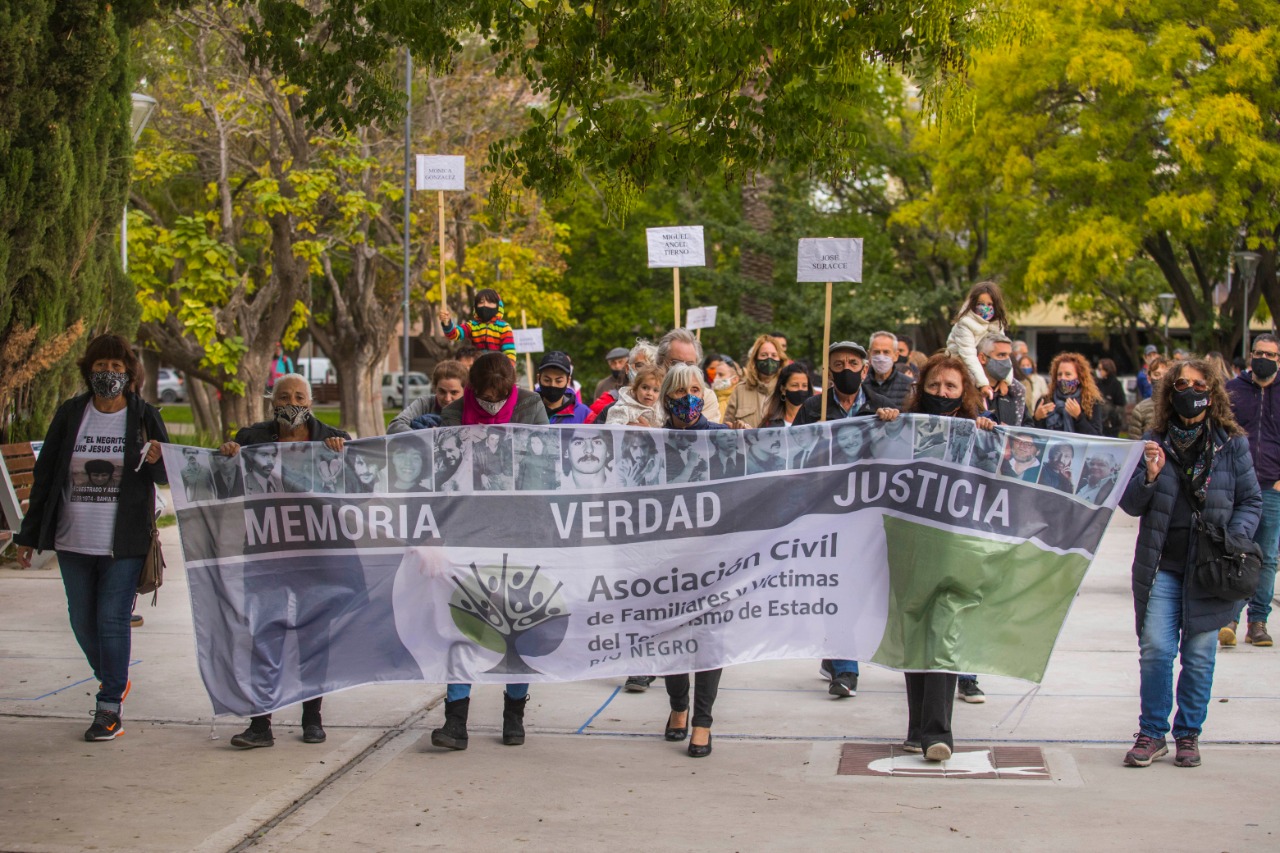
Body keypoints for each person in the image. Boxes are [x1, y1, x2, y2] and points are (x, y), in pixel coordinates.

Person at [15, 335, 168, 742]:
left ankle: (109, 706)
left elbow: (167, 475)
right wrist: (29, 534)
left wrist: (158, 458)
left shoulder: (144, 416)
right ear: (89, 370)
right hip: (74, 540)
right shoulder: (71, 414)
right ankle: (113, 677)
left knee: (111, 619)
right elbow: (46, 475)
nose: (108, 373)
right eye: (101, 365)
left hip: (124, 543)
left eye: (117, 367)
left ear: (129, 373)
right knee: (82, 620)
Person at [1119, 359, 1261, 768]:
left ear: (1212, 394)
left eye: (1199, 385)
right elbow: (1130, 503)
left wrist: (1233, 538)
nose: (1190, 391)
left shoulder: (1231, 444)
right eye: (1181, 384)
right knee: (1156, 649)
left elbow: (1251, 500)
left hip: (1211, 568)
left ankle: (1188, 734)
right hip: (1162, 564)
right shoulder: (1153, 441)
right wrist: (1149, 475)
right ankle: (1152, 732)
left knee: (1199, 656)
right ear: (1170, 392)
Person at [217, 373, 350, 748]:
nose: (292, 403)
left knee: (314, 637)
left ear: (311, 403)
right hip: (266, 551)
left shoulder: (333, 439)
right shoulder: (251, 439)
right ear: (271, 402)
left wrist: (343, 457)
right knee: (264, 635)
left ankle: (312, 718)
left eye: (299, 397)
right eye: (284, 397)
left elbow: (360, 488)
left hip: (315, 553)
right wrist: (227, 459)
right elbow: (226, 488)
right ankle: (260, 723)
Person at [431, 353, 548, 751]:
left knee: (519, 622)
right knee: (463, 622)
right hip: (468, 530)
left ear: (511, 389)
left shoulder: (531, 406)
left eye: (499, 399)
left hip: (522, 530)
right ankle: (455, 719)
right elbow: (442, 474)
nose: (492, 406)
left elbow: (544, 467)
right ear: (472, 390)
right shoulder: (452, 414)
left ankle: (514, 714)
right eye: (484, 399)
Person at [894, 353, 998, 759]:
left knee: (944, 633)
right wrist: (885, 424)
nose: (942, 392)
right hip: (912, 547)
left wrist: (988, 437)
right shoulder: (903, 428)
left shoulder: (979, 430)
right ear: (921, 388)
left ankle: (938, 733)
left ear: (964, 391)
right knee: (915, 632)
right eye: (934, 385)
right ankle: (916, 727)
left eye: (951, 386)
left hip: (957, 550)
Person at [792, 340, 896, 697]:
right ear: (828, 371)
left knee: (861, 590)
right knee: (836, 588)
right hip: (827, 512)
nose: (846, 369)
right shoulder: (813, 408)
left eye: (853, 363)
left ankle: (834, 654)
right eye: (838, 364)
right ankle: (846, 670)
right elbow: (794, 453)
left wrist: (890, 425)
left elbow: (897, 455)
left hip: (868, 512)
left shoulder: (881, 407)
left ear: (864, 370)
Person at [659, 361, 728, 756]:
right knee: (670, 632)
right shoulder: (649, 442)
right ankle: (678, 706)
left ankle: (702, 721)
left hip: (713, 555)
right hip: (666, 556)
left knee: (708, 637)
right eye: (680, 392)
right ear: (666, 398)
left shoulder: (722, 437)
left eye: (696, 390)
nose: (689, 398)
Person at [1224, 333, 1280, 648]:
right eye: (1259, 353)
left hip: (1272, 487)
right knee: (1236, 551)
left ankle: (1258, 622)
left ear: (1278, 359)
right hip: (1237, 487)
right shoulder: (1233, 390)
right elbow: (1220, 433)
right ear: (1250, 355)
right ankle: (1230, 618)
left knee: (1267, 557)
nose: (1264, 359)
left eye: (1270, 355)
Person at [945, 281, 1009, 396]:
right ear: (973, 304)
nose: (985, 308)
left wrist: (1005, 379)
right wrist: (983, 384)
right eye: (980, 303)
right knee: (972, 389)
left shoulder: (997, 324)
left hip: (984, 364)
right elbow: (968, 356)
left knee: (1017, 388)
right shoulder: (965, 323)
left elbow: (1004, 351)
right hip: (960, 364)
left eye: (989, 304)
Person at [655, 328, 722, 422]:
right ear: (661, 361)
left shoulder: (706, 397)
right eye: (676, 363)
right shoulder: (645, 391)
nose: (683, 369)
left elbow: (704, 430)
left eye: (690, 364)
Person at [387, 360, 469, 434]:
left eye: (454, 393)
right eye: (442, 391)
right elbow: (394, 426)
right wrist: (426, 436)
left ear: (465, 391)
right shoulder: (425, 403)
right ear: (435, 388)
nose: (447, 398)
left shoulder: (470, 410)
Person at [1032, 352, 1104, 435]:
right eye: (1059, 374)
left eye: (1068, 374)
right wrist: (1037, 418)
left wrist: (1079, 417)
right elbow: (1034, 435)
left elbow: (1096, 435)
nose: (1063, 378)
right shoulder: (1046, 401)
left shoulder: (1091, 402)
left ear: (1079, 378)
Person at [587, 339, 656, 424]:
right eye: (640, 365)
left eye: (652, 366)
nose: (646, 372)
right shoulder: (611, 408)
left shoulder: (665, 410)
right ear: (627, 368)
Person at [439, 288, 516, 362]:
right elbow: (453, 334)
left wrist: (507, 369)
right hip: (477, 366)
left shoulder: (504, 327)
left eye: (490, 302)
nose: (485, 305)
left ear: (498, 306)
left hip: (497, 367)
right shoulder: (472, 326)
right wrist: (447, 322)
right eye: (481, 302)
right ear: (476, 306)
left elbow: (510, 355)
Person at [723, 335, 784, 428]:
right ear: (755, 359)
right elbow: (727, 426)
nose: (769, 359)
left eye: (774, 355)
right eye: (764, 355)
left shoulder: (785, 390)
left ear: (780, 359)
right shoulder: (740, 390)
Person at [977, 333, 1026, 426]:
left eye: (1009, 356)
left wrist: (1012, 432)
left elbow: (1027, 424)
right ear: (983, 358)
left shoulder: (1014, 391)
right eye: (1001, 355)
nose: (1007, 361)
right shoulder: (968, 392)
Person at [535, 351, 591, 424]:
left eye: (558, 381)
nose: (553, 385)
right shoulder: (527, 410)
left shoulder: (584, 414)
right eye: (547, 380)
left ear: (568, 380)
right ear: (538, 378)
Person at [864, 331, 914, 408]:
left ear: (896, 355)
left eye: (886, 352)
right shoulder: (860, 384)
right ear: (869, 354)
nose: (881, 357)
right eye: (877, 352)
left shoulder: (909, 386)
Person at [761, 362, 811, 427]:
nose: (800, 389)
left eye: (804, 386)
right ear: (783, 389)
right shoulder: (769, 424)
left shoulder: (816, 421)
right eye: (795, 385)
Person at [1129, 357, 1169, 438]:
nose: (1162, 378)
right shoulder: (1140, 410)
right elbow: (1135, 441)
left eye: (1166, 375)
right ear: (1149, 378)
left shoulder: (1178, 406)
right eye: (1156, 374)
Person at [1095, 358, 1128, 437]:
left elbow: (1121, 404)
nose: (1098, 372)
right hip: (1099, 421)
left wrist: (1110, 412)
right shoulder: (1098, 383)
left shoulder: (1116, 384)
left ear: (1107, 370)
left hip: (1112, 424)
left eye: (1100, 369)